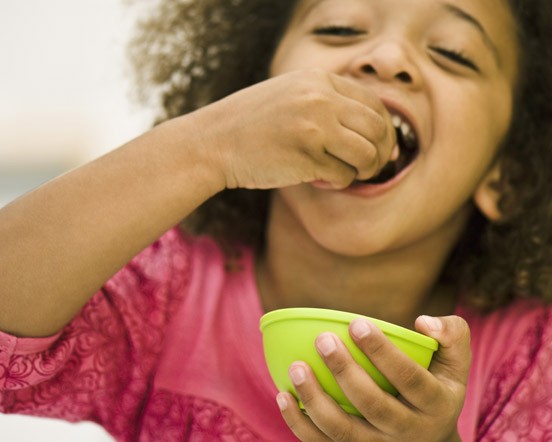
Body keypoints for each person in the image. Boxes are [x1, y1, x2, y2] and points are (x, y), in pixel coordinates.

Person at [0, 0, 551, 440]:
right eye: (338, 28)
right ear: (252, 91)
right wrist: (207, 146)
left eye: (454, 54)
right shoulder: (167, 287)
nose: (385, 57)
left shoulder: (531, 358)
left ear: (510, 177)